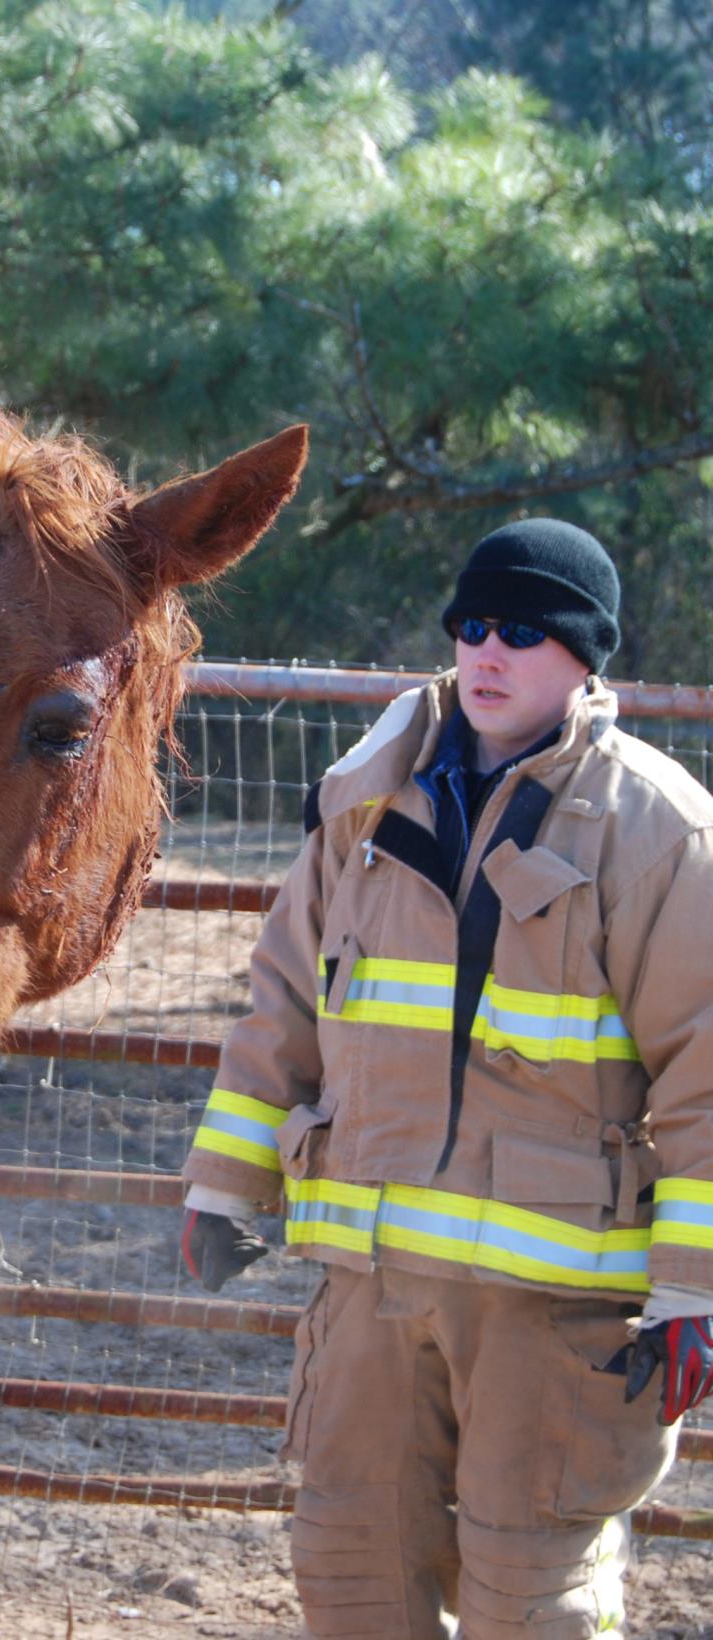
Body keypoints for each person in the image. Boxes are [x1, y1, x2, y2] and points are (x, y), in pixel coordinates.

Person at [179, 519, 713, 1639]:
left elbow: (708, 1066)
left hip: (553, 1308)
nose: (487, 651)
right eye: (470, 625)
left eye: (522, 630)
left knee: (533, 1600)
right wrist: (225, 1183)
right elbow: (283, 1003)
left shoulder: (655, 830)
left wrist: (694, 1284)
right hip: (369, 1291)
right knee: (351, 1571)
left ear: (586, 654)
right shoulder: (368, 799)